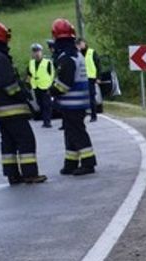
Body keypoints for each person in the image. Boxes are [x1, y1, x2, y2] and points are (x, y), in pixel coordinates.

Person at [0, 22, 46, 185]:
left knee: (8, 142)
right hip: (12, 107)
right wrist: (25, 95)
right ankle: (30, 174)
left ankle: (12, 175)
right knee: (26, 140)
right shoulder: (0, 58)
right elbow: (10, 85)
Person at [50, 18, 95, 176]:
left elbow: (64, 84)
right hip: (77, 102)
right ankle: (71, 162)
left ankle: (88, 163)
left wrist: (52, 91)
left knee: (77, 132)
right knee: (70, 133)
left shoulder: (67, 57)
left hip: (72, 103)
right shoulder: (75, 54)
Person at [27, 43, 53, 128]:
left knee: (46, 105)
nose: (36, 54)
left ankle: (47, 121)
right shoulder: (31, 63)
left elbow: (51, 74)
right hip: (36, 86)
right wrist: (28, 84)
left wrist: (50, 85)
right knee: (40, 103)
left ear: (41, 52)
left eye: (38, 51)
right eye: (34, 52)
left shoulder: (47, 62)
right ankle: (44, 120)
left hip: (45, 86)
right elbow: (29, 74)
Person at [77, 37, 97, 122]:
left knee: (92, 98)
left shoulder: (92, 52)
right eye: (78, 44)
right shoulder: (77, 54)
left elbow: (98, 65)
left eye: (81, 43)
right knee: (82, 98)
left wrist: (98, 77)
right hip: (81, 79)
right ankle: (83, 114)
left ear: (84, 43)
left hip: (91, 78)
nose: (80, 45)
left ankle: (93, 116)